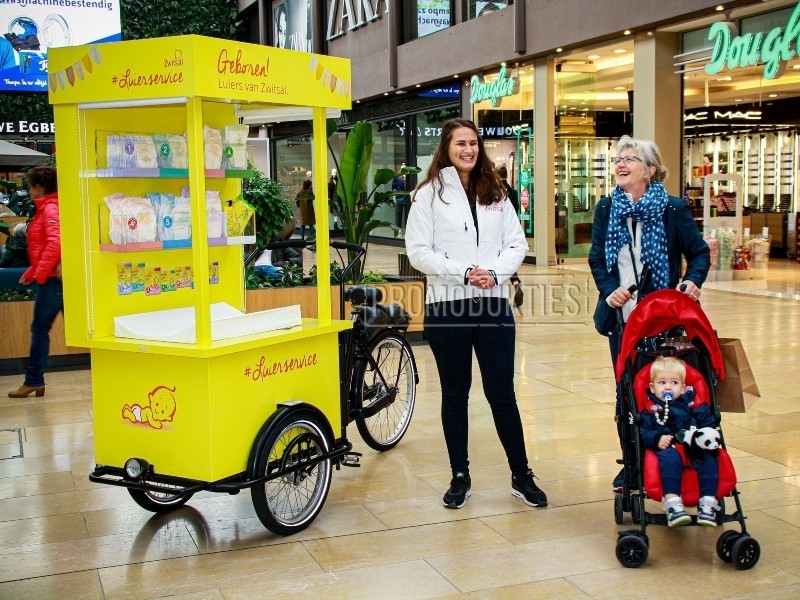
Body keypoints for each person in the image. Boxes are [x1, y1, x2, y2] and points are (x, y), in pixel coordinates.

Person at [405, 118, 547, 509]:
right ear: (446, 149)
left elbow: (516, 243)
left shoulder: (496, 191)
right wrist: (464, 272)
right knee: (455, 394)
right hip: (447, 305)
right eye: (460, 143)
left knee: (503, 393)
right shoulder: (428, 195)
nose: (468, 149)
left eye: (473, 143)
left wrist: (495, 274)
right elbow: (418, 251)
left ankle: (522, 474)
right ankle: (459, 475)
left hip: (493, 304)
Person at [588, 135, 710, 492]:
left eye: (630, 159)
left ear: (650, 170)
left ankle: (677, 457)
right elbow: (598, 258)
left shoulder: (672, 208)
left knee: (667, 387)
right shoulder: (607, 209)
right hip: (622, 318)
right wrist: (610, 290)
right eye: (617, 160)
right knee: (627, 390)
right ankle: (632, 462)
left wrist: (691, 281)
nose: (620, 165)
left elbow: (698, 252)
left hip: (665, 318)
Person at [640, 356, 720, 527]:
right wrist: (656, 438)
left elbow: (708, 421)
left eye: (674, 383)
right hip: (668, 447)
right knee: (670, 461)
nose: (668, 387)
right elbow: (643, 431)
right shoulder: (651, 409)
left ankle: (708, 502)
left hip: (694, 445)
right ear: (652, 388)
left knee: (708, 459)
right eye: (662, 383)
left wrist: (706, 434)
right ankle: (673, 503)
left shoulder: (693, 404)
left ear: (683, 388)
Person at [8, 167, 62, 399]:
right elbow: (45, 250)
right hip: (53, 278)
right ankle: (34, 381)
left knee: (39, 330)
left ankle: (33, 380)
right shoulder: (46, 208)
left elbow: (55, 243)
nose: (29, 191)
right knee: (42, 330)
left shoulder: (50, 208)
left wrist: (39, 273)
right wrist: (32, 271)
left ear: (39, 187)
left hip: (54, 282)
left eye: (30, 186)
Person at [496, 165, 523, 307]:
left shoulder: (496, 191)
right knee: (508, 258)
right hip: (511, 229)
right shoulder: (513, 192)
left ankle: (504, 286)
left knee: (500, 258)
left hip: (497, 230)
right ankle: (516, 283)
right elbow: (517, 209)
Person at [392, 163, 409, 233]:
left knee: (407, 215)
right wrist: (394, 198)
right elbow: (393, 188)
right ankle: (398, 229)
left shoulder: (409, 176)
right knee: (398, 215)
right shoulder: (397, 177)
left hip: (407, 199)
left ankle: (407, 229)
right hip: (399, 198)